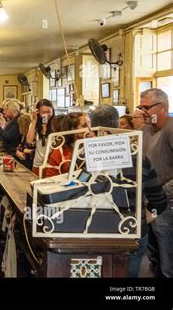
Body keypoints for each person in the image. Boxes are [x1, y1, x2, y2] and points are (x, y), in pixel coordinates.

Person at [90, 104, 167, 277]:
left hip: (95, 232)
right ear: (117, 124)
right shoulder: (138, 158)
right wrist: (141, 220)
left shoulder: (84, 157)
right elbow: (159, 202)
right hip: (132, 233)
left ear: (92, 127)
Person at [138, 88, 173, 278]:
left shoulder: (171, 129)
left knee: (168, 262)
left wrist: (159, 194)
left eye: (146, 107)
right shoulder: (144, 130)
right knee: (154, 259)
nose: (142, 112)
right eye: (140, 107)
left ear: (163, 107)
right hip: (148, 202)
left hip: (167, 205)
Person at [45, 112, 89, 178]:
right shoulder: (59, 152)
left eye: (90, 124)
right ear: (73, 129)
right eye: (85, 126)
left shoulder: (93, 146)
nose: (90, 128)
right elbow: (50, 178)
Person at [26, 99, 55, 177]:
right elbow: (29, 140)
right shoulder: (34, 125)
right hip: (38, 164)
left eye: (49, 112)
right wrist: (34, 121)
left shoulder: (56, 123)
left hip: (52, 164)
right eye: (43, 112)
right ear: (38, 113)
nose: (46, 115)